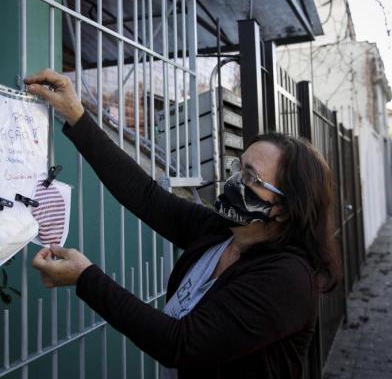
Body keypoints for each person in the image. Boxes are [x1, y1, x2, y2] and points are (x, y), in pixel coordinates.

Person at [26, 69, 340, 379]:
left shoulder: (287, 279)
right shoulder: (222, 233)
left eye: (249, 177)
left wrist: (85, 278)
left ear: (283, 210)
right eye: (237, 167)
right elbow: (146, 196)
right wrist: (77, 116)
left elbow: (180, 343)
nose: (232, 180)